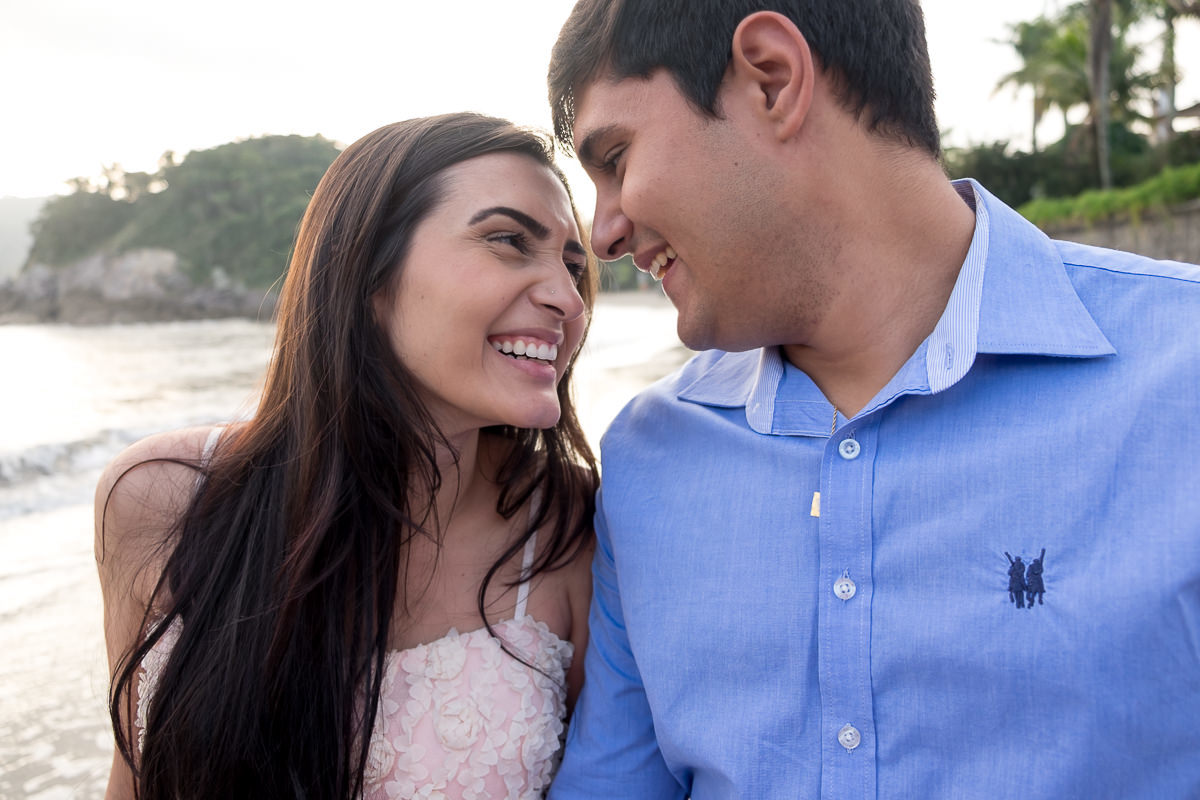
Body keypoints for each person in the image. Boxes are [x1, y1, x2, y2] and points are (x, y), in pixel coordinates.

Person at [544, 1, 1200, 798]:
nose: (603, 232)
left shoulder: (1183, 375)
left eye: (615, 157)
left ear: (773, 80)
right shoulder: (649, 457)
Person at [95, 112, 599, 800]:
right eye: (509, 241)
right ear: (369, 274)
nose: (568, 299)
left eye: (575, 267)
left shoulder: (573, 531)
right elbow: (134, 780)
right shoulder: (160, 498)